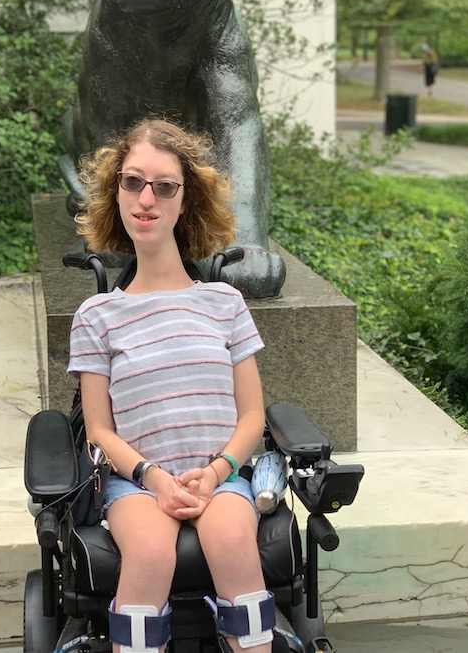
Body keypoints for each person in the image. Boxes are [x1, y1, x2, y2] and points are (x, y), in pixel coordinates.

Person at [68, 118, 274, 653]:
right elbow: (97, 429)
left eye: (164, 186)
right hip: (135, 482)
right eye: (133, 182)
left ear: (186, 202)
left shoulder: (224, 304)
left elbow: (253, 415)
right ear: (116, 193)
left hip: (220, 476)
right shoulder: (98, 315)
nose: (146, 198)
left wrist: (216, 471)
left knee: (232, 538)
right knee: (152, 553)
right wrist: (152, 478)